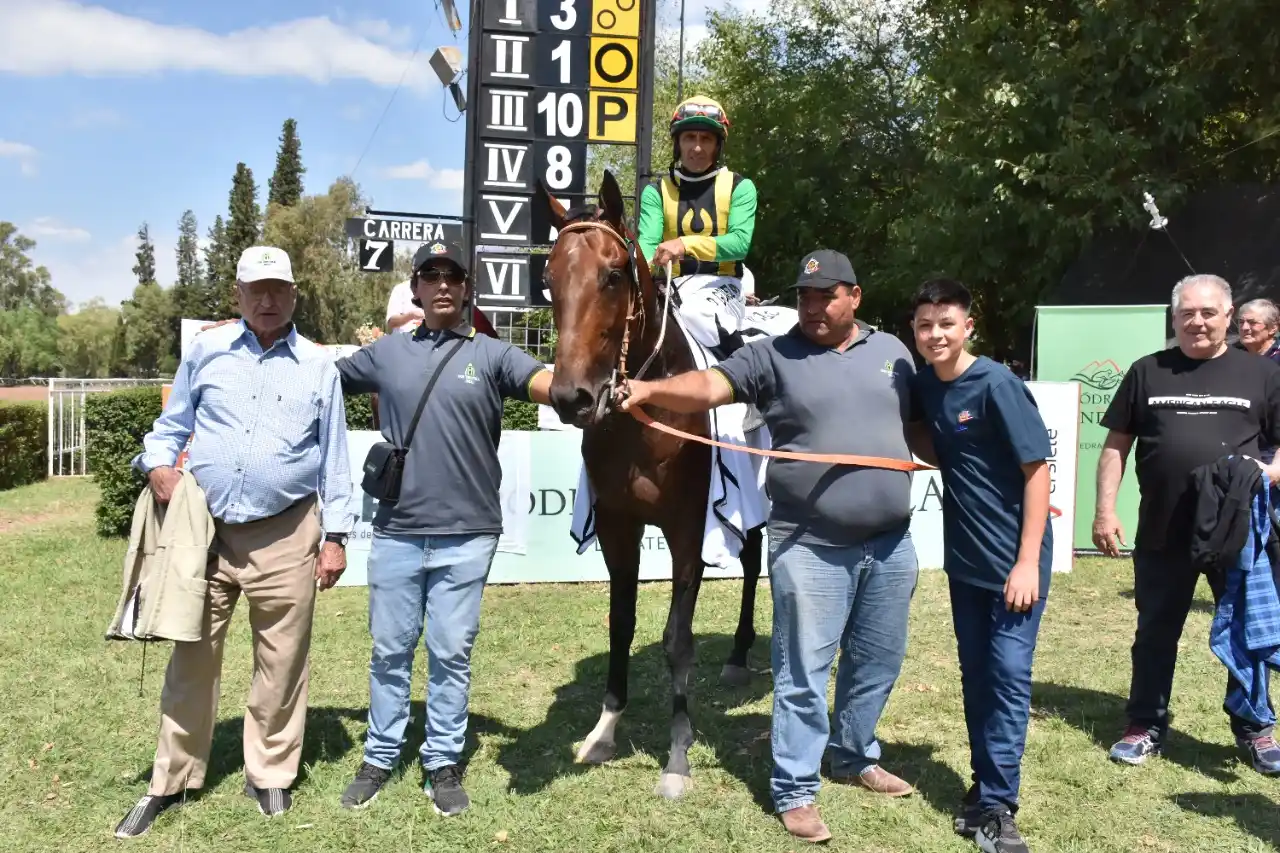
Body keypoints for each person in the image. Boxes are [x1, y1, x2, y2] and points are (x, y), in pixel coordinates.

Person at [618, 249, 930, 844]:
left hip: (890, 544)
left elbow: (916, 429)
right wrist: (647, 389)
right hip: (810, 543)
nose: (813, 306)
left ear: (854, 296)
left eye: (827, 295)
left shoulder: (893, 352)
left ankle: (854, 755)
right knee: (803, 672)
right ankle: (794, 788)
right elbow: (710, 385)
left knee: (877, 662)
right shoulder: (773, 353)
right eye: (805, 296)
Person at [114, 246, 353, 838]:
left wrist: (337, 536)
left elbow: (335, 459)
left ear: (295, 295)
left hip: (288, 531)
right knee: (190, 659)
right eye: (256, 289)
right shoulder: (207, 352)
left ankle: (269, 774)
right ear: (238, 295)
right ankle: (171, 780)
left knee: (282, 663)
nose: (267, 300)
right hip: (206, 534)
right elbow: (171, 427)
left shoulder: (320, 366)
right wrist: (157, 465)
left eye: (278, 289)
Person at [333, 240, 554, 815]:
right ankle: (380, 756)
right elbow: (321, 383)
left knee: (451, 652)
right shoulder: (386, 354)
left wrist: (596, 384)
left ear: (466, 288)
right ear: (416, 290)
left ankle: (443, 762)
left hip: (467, 533)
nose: (442, 285)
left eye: (452, 276)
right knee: (389, 651)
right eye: (430, 276)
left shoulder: (495, 354)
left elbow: (553, 387)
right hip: (396, 530)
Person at [1094, 274, 1280, 774]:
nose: (1197, 322)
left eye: (1208, 313)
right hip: (1162, 528)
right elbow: (1116, 445)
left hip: (1234, 531)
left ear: (1228, 316)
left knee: (1246, 630)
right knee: (1155, 630)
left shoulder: (1260, 374)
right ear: (1174, 318)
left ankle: (1256, 729)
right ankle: (1145, 724)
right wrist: (1105, 510)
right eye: (1186, 314)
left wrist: (1272, 471)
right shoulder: (1146, 371)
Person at [910, 279, 1052, 853]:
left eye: (946, 323)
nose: (935, 334)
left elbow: (1037, 472)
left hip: (1014, 567)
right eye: (924, 325)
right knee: (977, 678)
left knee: (1010, 679)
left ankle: (999, 807)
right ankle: (983, 788)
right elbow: (924, 438)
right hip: (965, 564)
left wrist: (1026, 564)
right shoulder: (924, 384)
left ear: (968, 326)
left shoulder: (997, 383)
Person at [636, 95, 757, 358]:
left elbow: (739, 244)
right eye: (690, 137)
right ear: (678, 143)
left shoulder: (740, 187)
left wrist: (684, 244)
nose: (698, 148)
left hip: (724, 284)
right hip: (671, 286)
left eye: (706, 139)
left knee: (695, 312)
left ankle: (746, 378)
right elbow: (646, 244)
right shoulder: (655, 192)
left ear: (717, 146)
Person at [1237, 298, 1280, 362]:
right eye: (1241, 322)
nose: (1244, 327)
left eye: (1252, 322)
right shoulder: (1234, 355)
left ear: (1272, 328)